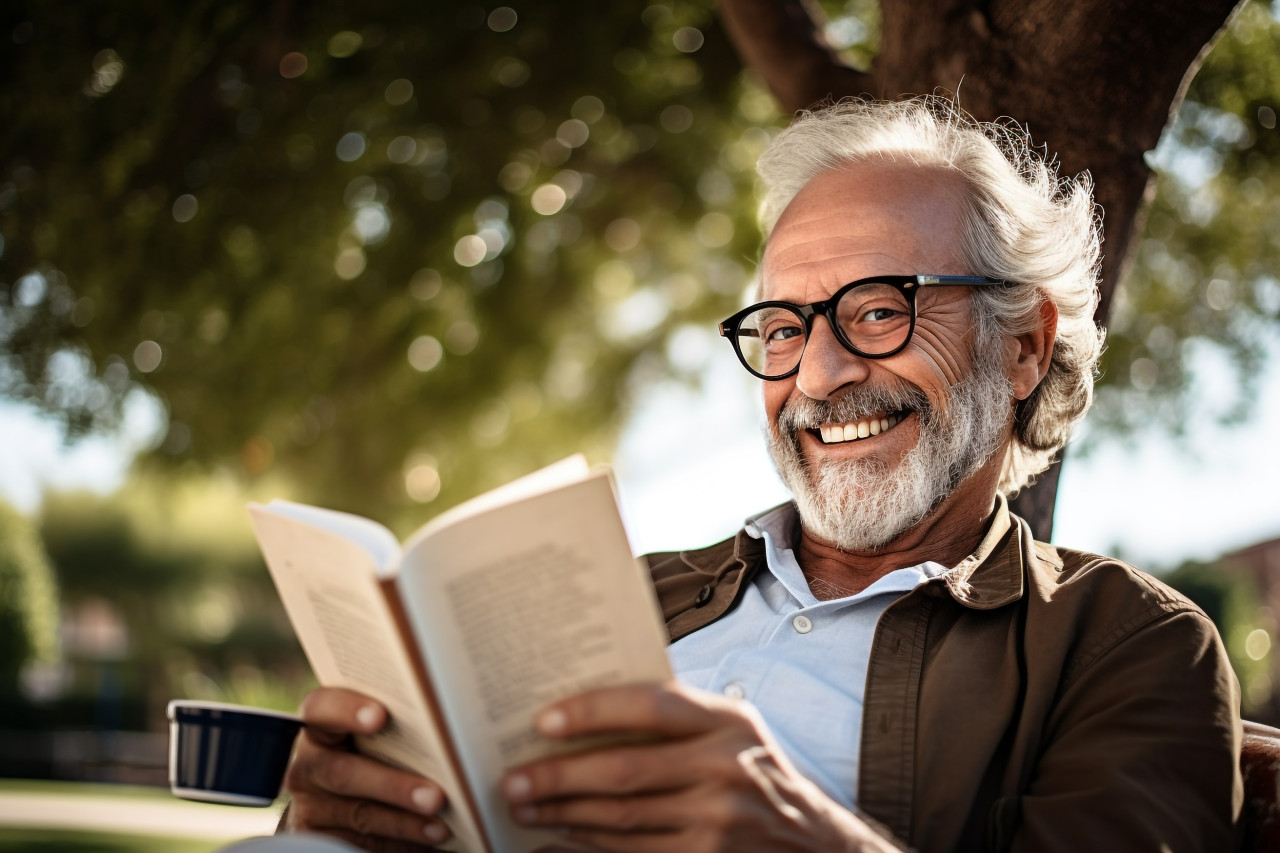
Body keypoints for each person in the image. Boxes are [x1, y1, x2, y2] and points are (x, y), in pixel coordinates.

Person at [278, 97, 1242, 851]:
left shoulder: (1125, 646)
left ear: (1024, 346)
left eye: (877, 310)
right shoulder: (623, 594)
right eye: (783, 328)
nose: (819, 376)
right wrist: (344, 810)